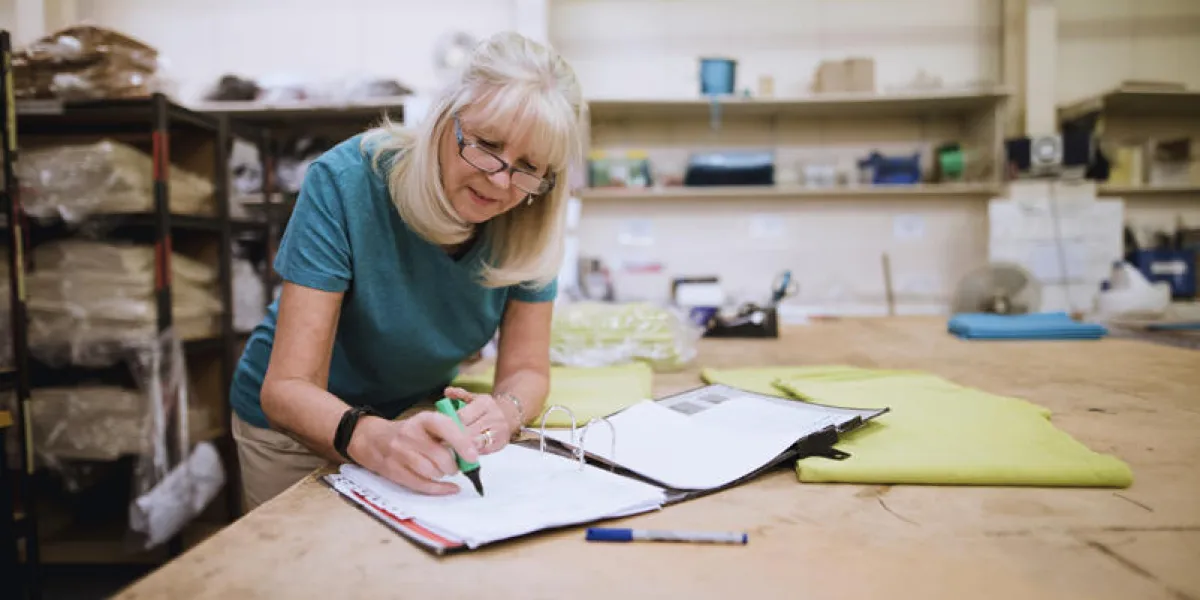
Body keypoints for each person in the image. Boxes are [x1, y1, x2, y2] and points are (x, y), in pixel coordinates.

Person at [228, 31, 583, 512]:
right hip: (294, 432)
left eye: (527, 167)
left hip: (409, 417)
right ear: (443, 120)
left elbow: (525, 368)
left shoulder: (529, 219)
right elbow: (287, 390)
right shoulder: (347, 182)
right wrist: (373, 439)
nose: (500, 181)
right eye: (486, 144)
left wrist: (505, 412)